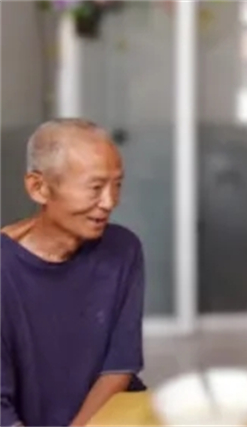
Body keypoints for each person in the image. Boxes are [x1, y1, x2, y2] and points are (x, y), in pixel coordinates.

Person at [1, 119, 146, 427]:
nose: (110, 202)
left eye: (117, 185)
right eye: (95, 187)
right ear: (38, 187)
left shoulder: (124, 249)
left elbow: (120, 365)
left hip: (105, 418)